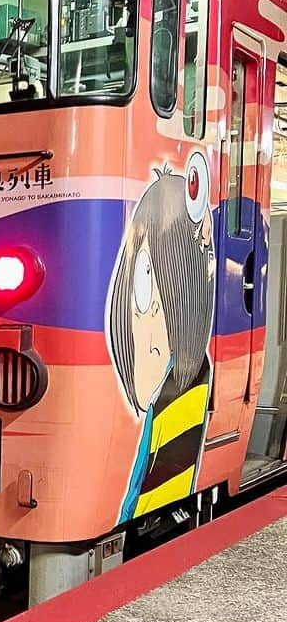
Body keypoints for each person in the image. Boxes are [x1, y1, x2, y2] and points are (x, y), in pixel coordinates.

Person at [106, 153, 216, 522]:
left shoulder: (184, 396)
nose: (145, 319)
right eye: (140, 284)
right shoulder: (175, 388)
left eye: (154, 282)